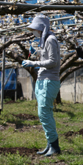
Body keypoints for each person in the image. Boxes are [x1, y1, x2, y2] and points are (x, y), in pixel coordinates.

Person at [21, 14, 62, 157]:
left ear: (42, 28)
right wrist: (37, 53)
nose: (34, 31)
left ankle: (54, 146)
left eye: (36, 28)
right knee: (43, 113)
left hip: (49, 80)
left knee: (44, 113)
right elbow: (47, 56)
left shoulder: (50, 39)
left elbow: (53, 62)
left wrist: (34, 63)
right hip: (43, 80)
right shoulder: (45, 40)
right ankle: (50, 144)